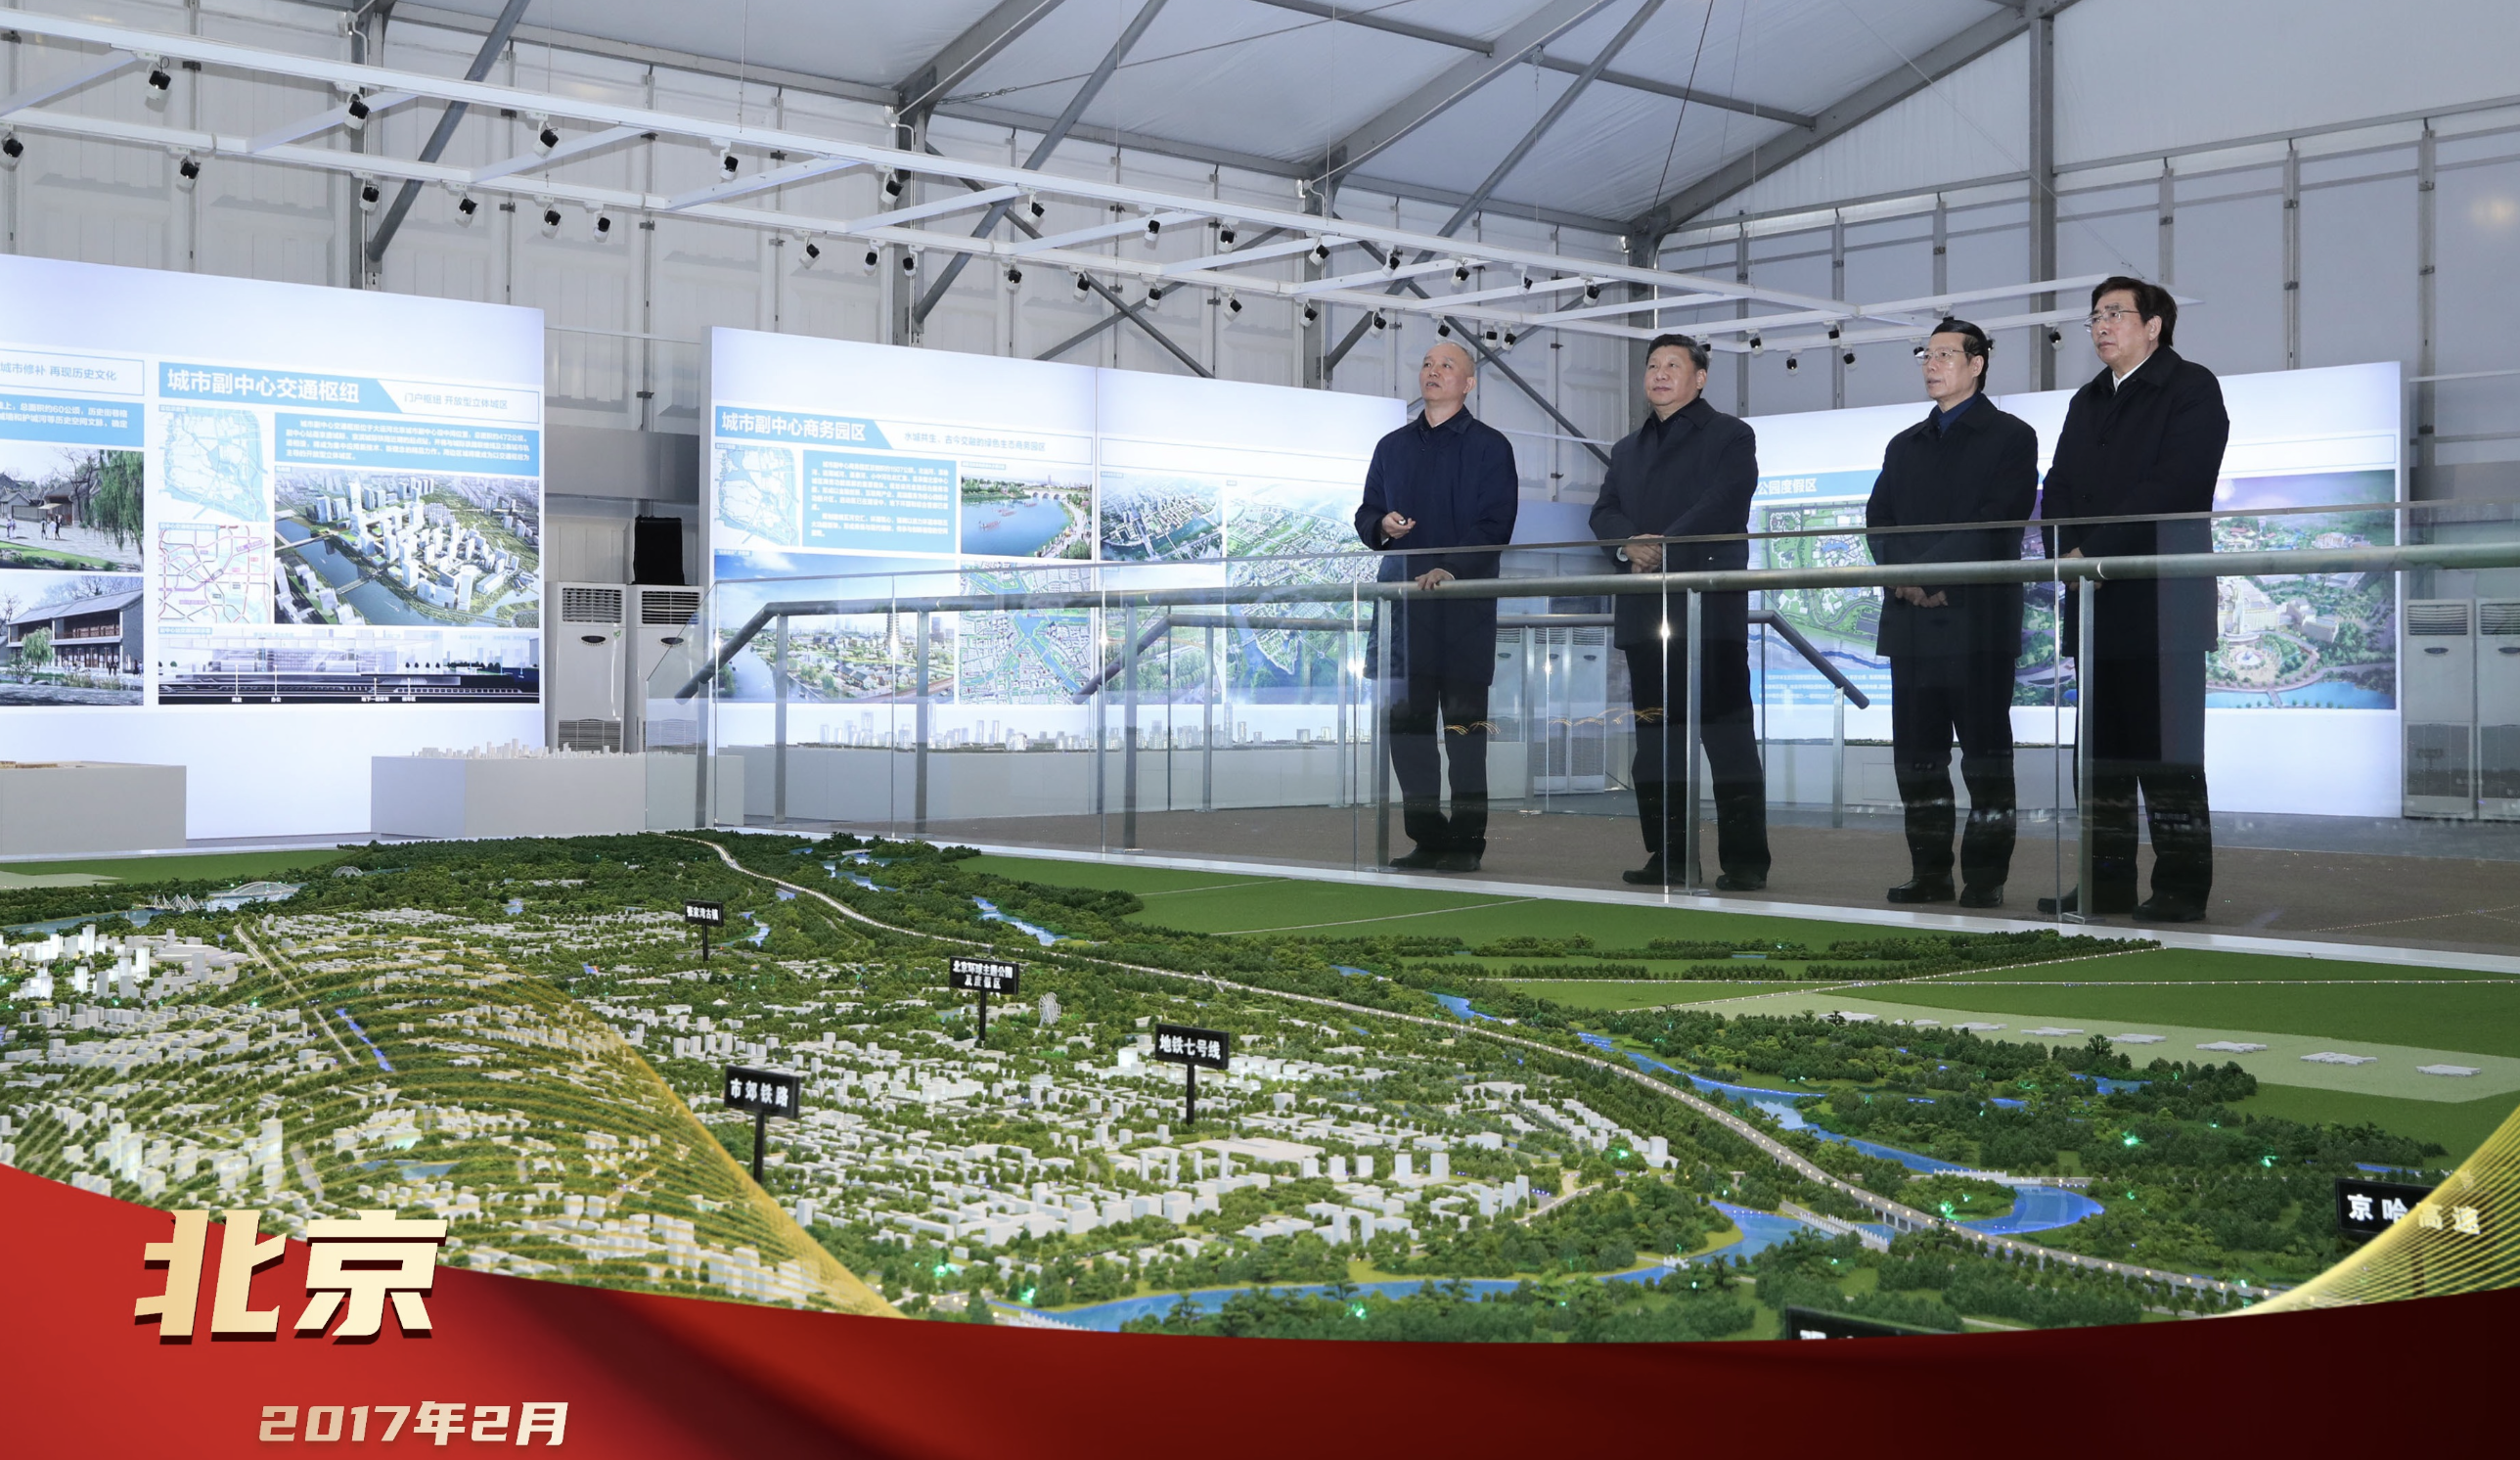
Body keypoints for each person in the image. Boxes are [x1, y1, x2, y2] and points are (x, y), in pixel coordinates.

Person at [2037, 276, 2229, 923]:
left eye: (2115, 313)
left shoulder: (2191, 387)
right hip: (2095, 605)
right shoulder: (2088, 398)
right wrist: (2064, 550)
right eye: (2095, 315)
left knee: (2168, 755)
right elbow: (2058, 484)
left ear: (2154, 326)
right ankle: (2105, 881)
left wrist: (2095, 553)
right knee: (2099, 760)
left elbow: (2177, 485)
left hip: (2162, 603)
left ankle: (2180, 886)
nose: (2101, 325)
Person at [1866, 319, 2040, 908]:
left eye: (1944, 355)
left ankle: (1985, 877)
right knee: (1917, 759)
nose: (1931, 364)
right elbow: (1879, 520)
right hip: (1911, 624)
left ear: (1977, 363)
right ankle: (1929, 871)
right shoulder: (1904, 444)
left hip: (1977, 622)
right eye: (1926, 354)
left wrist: (1931, 574)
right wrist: (1904, 576)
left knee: (1986, 758)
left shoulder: (2011, 436)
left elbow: (1998, 519)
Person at [1589, 334, 1769, 890]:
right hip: (1647, 617)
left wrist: (1660, 546)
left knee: (1728, 741)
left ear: (1700, 377)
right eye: (1652, 365)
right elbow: (1604, 512)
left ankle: (1745, 862)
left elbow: (1725, 503)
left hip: (1709, 614)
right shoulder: (1626, 448)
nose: (1660, 374)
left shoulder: (1731, 435)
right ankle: (1668, 855)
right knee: (1655, 748)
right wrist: (1629, 545)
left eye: (1673, 365)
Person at [1355, 341, 1519, 872]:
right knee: (1408, 735)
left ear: (1468, 384)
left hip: (1463, 610)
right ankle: (1426, 838)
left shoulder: (1491, 447)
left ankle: (1467, 844)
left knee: (1465, 736)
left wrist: (1451, 570)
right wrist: (1382, 526)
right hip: (1404, 614)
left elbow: (1496, 524)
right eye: (1427, 363)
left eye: (1447, 365)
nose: (1434, 371)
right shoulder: (1391, 446)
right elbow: (1366, 514)